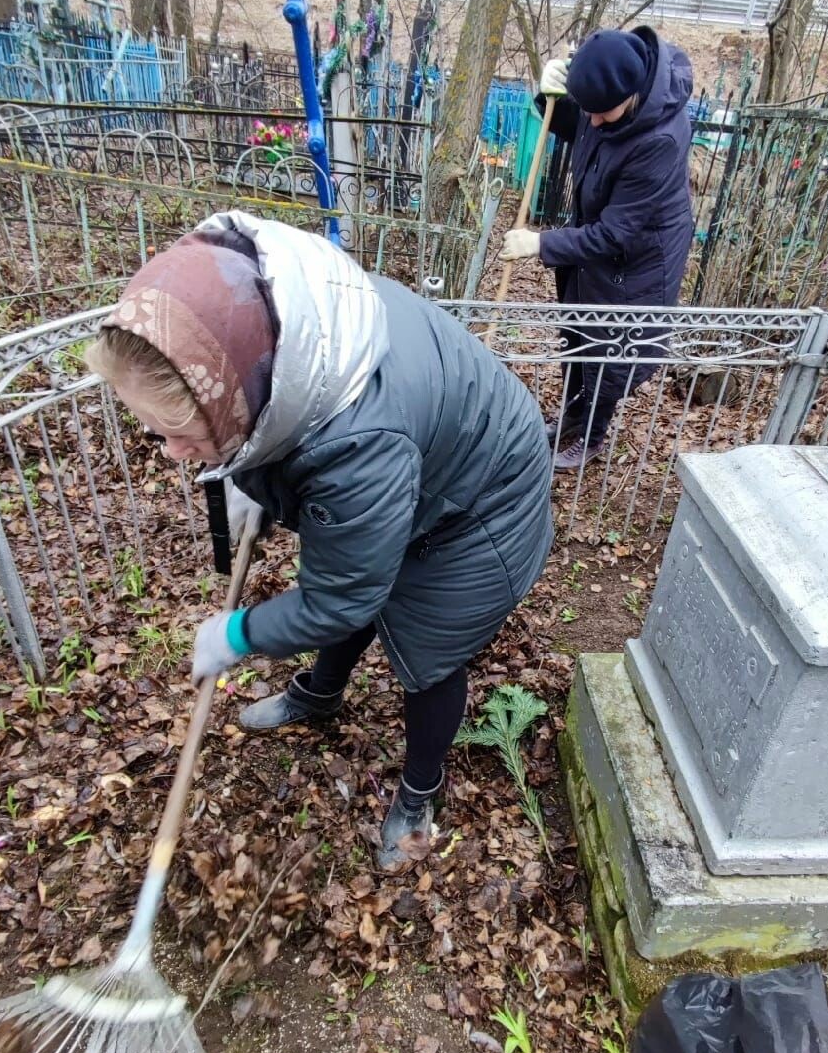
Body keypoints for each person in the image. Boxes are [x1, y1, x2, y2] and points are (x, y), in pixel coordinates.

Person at [84, 213, 553, 871]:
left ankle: (420, 792)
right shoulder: (276, 324)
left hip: (478, 509)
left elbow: (342, 597)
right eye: (157, 432)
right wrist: (249, 472)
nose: (171, 455)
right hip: (414, 466)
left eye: (180, 431)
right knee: (356, 576)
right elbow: (341, 565)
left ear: (239, 402)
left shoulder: (356, 443)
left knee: (428, 652)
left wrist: (237, 635)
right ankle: (321, 694)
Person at [501, 26, 694, 469]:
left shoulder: (659, 139)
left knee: (609, 349)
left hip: (638, 259)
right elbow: (578, 126)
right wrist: (548, 94)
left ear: (630, 96)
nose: (593, 121)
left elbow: (615, 234)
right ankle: (571, 415)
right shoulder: (611, 105)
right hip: (598, 244)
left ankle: (591, 435)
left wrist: (540, 242)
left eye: (601, 112)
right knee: (576, 332)